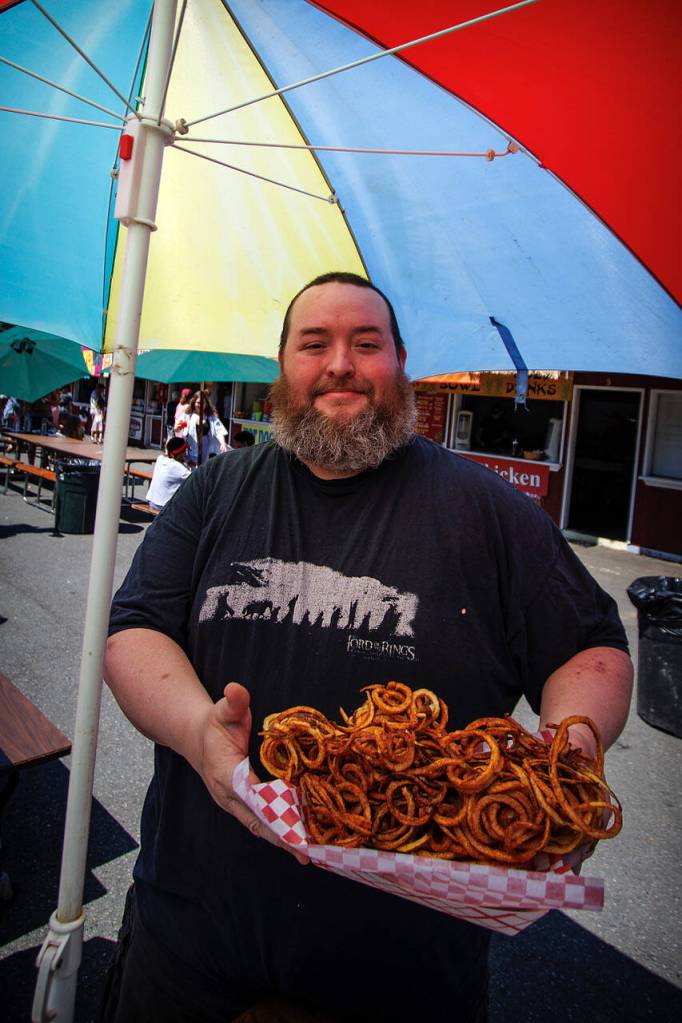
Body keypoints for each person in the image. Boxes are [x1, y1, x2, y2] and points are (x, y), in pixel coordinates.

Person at [102, 272, 633, 1023]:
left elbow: (594, 650)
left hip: (405, 984)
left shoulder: (488, 511)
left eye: (366, 343)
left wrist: (566, 760)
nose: (340, 364)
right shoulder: (216, 490)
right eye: (313, 343)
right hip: (187, 954)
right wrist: (197, 731)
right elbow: (135, 630)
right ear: (283, 364)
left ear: (402, 363)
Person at [145, 436, 191, 512]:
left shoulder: (160, 459)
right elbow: (195, 479)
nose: (185, 453)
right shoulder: (177, 467)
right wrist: (187, 464)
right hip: (163, 505)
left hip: (152, 501)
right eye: (184, 451)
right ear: (180, 452)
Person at [185, 389, 229, 465]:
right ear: (194, 402)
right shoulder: (188, 415)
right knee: (193, 467)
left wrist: (223, 443)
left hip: (206, 444)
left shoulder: (211, 417)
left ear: (206, 404)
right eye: (198, 403)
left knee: (204, 466)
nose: (200, 405)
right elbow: (181, 428)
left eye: (203, 403)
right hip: (192, 444)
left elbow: (219, 430)